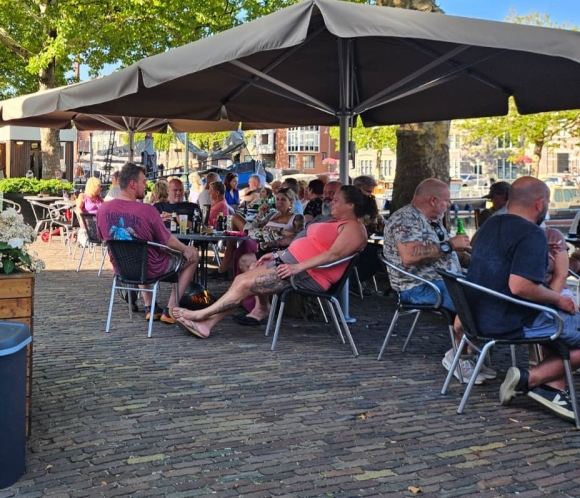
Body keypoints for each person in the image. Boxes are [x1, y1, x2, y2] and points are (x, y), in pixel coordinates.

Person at [171, 185, 375, 337]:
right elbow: (308, 242)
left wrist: (296, 266)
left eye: (337, 200)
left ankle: (199, 316)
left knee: (243, 283)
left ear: (351, 205)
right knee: (243, 277)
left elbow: (334, 255)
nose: (331, 202)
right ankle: (207, 325)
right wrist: (278, 255)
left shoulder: (355, 228)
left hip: (308, 275)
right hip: (290, 264)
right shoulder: (335, 222)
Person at [471, 177, 580, 422]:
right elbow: (520, 286)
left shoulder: (490, 225)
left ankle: (553, 388)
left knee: (568, 327)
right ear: (540, 204)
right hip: (512, 320)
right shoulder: (530, 233)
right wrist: (558, 299)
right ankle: (528, 379)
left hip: (480, 316)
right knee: (568, 320)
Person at [383, 178, 478, 383]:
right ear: (434, 200)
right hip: (418, 286)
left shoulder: (431, 222)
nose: (449, 205)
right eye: (446, 200)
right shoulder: (406, 219)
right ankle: (459, 357)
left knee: (489, 290)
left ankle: (473, 356)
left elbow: (444, 254)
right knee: (472, 300)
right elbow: (410, 255)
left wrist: (476, 262)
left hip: (444, 280)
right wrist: (450, 245)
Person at [97, 163, 199, 324]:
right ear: (132, 184)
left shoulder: (102, 210)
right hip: (152, 269)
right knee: (193, 253)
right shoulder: (147, 210)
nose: (146, 186)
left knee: (136, 253)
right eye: (143, 182)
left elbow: (102, 237)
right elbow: (168, 240)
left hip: (122, 269)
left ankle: (150, 307)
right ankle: (170, 309)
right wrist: (185, 249)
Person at [250, 188, 304, 256]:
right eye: (277, 199)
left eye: (283, 199)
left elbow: (300, 236)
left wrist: (278, 229)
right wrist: (260, 215)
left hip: (277, 249)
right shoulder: (273, 214)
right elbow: (254, 227)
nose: (279, 202)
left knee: (244, 257)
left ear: (291, 202)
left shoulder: (297, 217)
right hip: (260, 244)